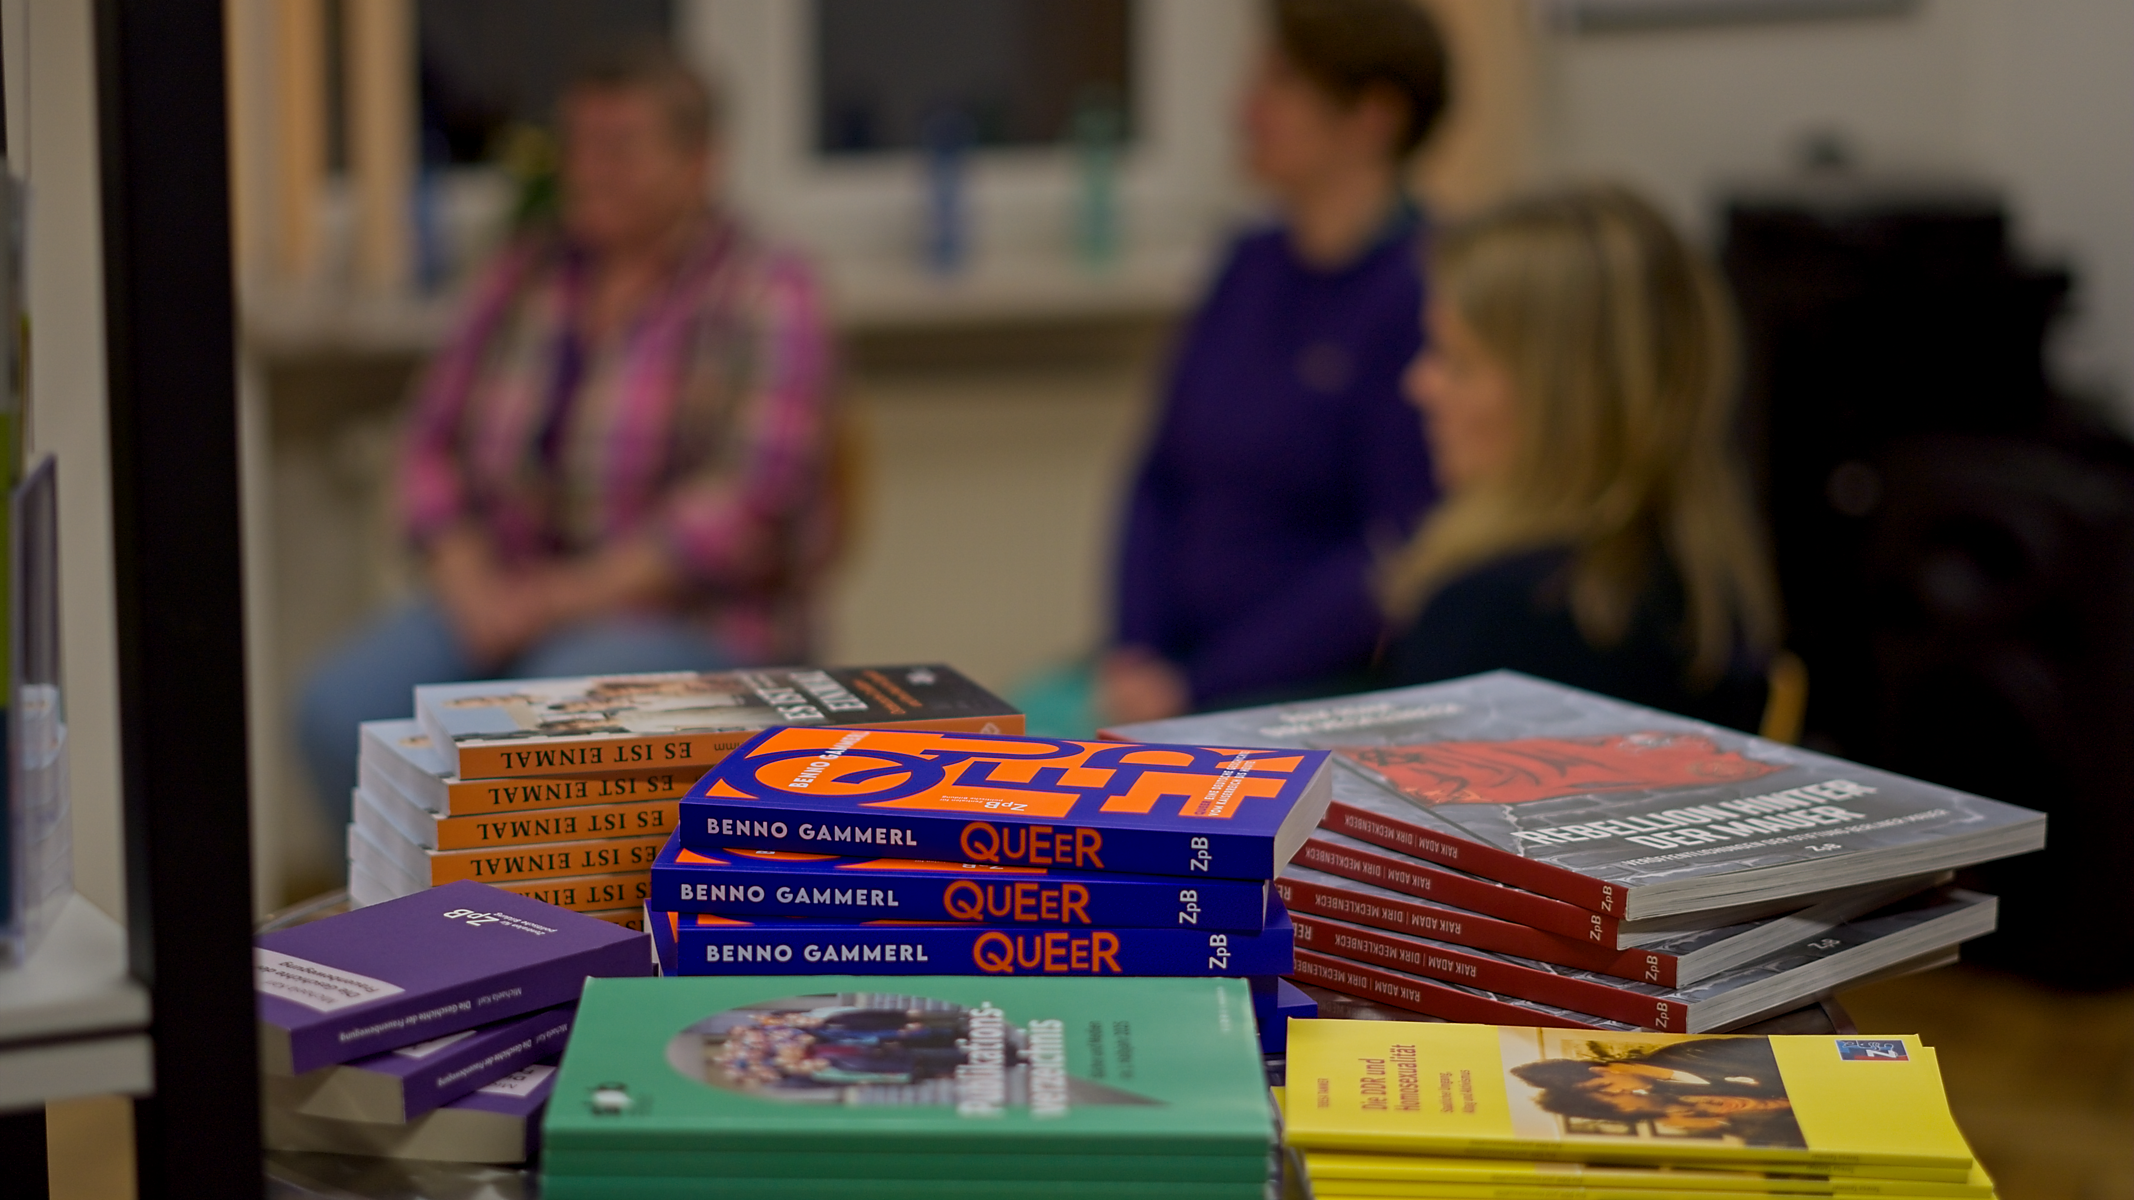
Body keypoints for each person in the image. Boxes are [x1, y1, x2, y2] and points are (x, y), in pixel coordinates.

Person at [298, 46, 834, 816]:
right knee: (337, 710)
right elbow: (428, 444)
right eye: (577, 146)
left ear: (699, 163)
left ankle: (535, 934)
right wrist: (466, 575)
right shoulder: (524, 274)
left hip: (691, 619)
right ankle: (409, 927)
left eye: (620, 149)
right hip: (505, 595)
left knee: (544, 714)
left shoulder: (767, 291)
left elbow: (748, 506)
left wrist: (559, 598)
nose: (588, 171)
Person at [1099, 0, 1448, 724]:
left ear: (1372, 116)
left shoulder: (1418, 294)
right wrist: (1135, 651)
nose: (1244, 108)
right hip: (1171, 671)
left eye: (1280, 83)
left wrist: (1196, 689)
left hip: (1311, 687)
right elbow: (1158, 476)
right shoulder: (1247, 265)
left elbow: (1389, 553)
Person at [1381, 184, 1780, 731]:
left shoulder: (1497, 620)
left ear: (1566, 399)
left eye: (1458, 362)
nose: (1419, 385)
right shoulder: (1704, 586)